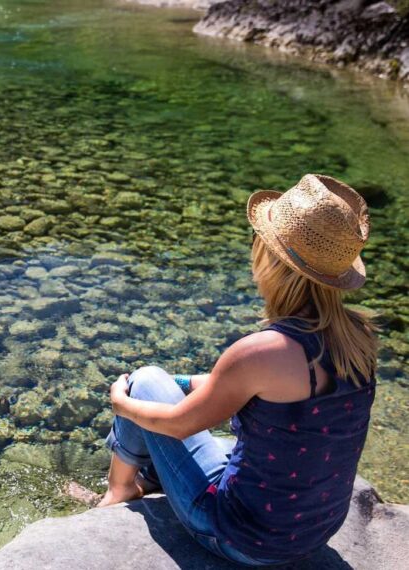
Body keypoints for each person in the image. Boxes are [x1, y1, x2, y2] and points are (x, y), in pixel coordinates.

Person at [66, 173, 380, 566]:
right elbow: (239, 391)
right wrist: (179, 381)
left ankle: (120, 490)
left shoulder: (262, 351)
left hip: (240, 537)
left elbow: (180, 424)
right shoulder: (359, 338)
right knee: (216, 433)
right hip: (313, 532)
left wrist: (122, 402)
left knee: (144, 381)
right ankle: (152, 478)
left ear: (270, 259)